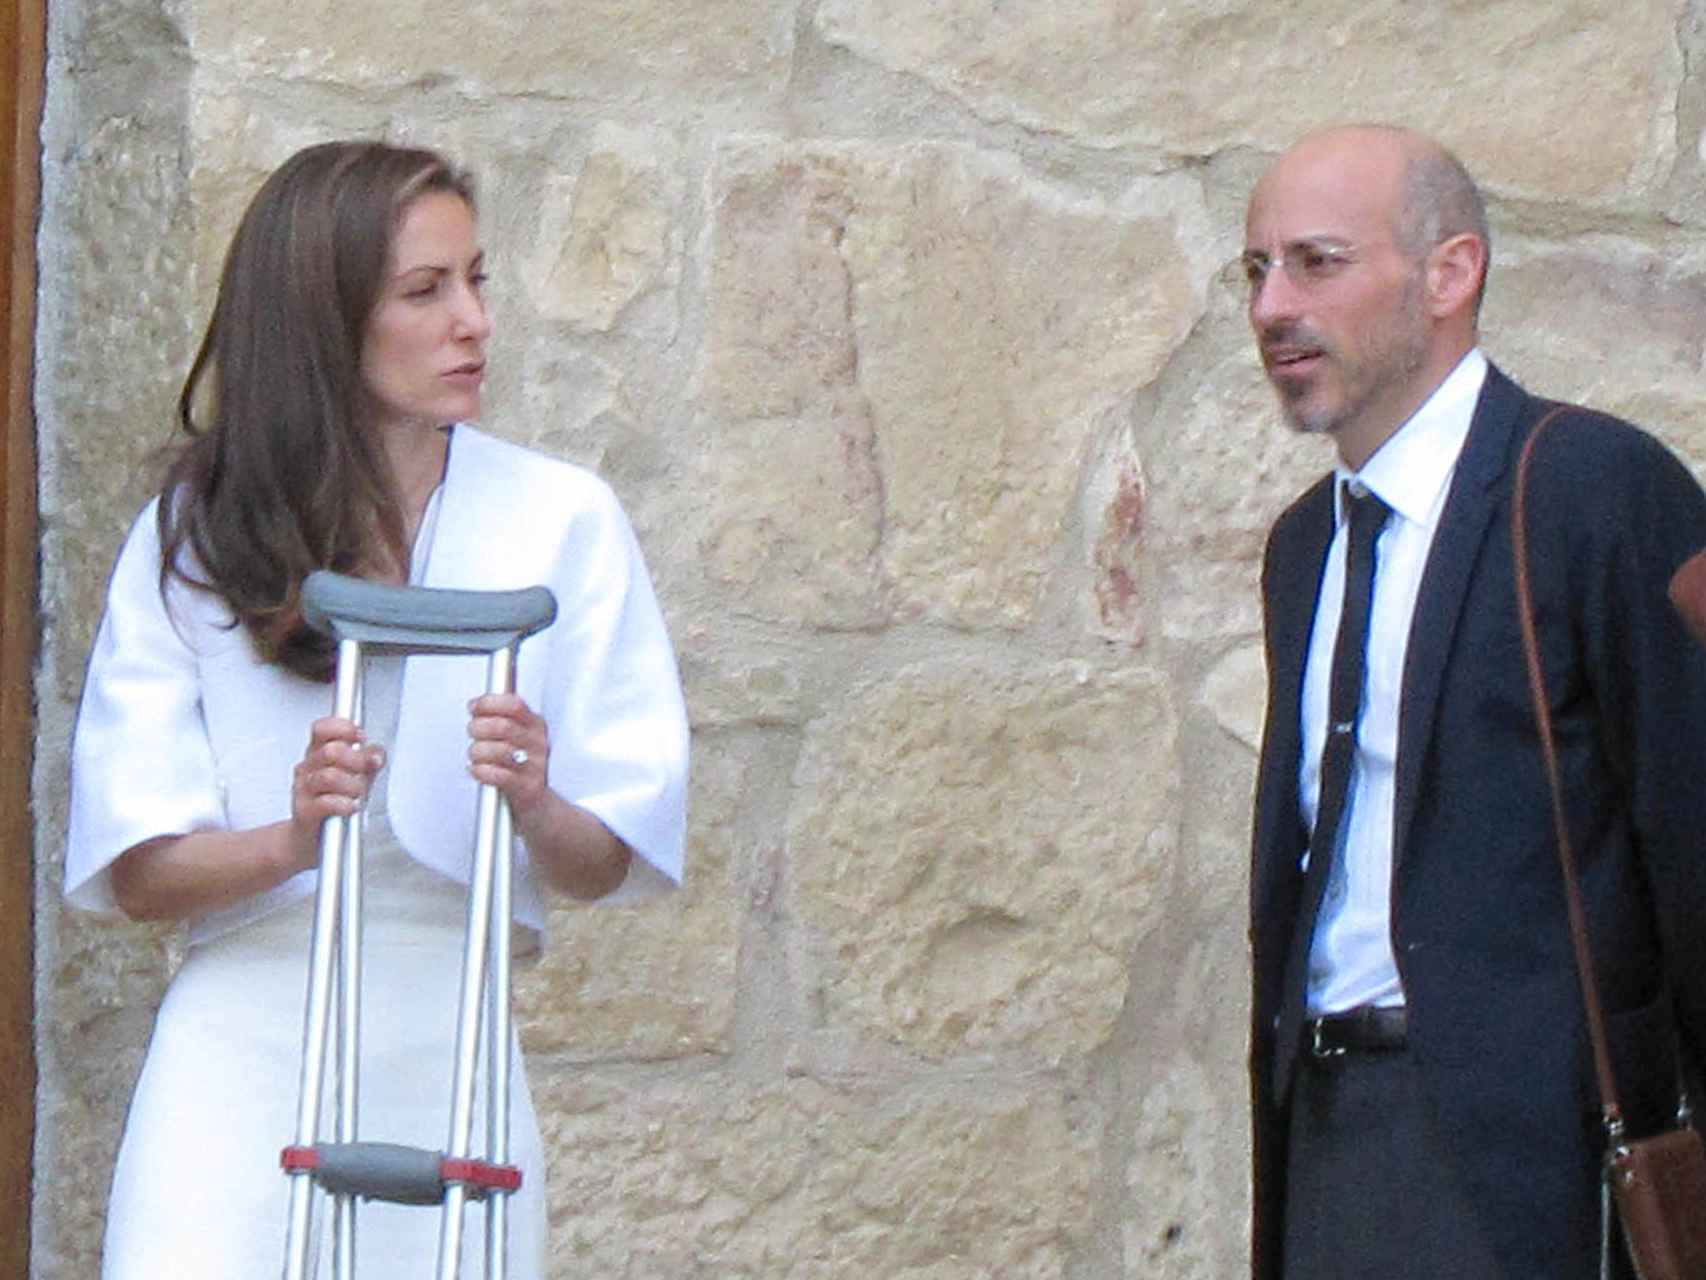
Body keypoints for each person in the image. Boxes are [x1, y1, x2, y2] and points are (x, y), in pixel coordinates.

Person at [63, 141, 689, 1277]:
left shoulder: (563, 518)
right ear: (325, 317)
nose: (473, 322)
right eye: (425, 291)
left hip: (453, 1046)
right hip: (240, 1058)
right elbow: (141, 872)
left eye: (475, 281)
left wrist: (536, 800)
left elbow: (606, 859)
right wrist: (295, 837)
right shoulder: (196, 533)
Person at [1244, 124, 1706, 1280]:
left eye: (1315, 261)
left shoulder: (1593, 488)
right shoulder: (1304, 546)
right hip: (1327, 1138)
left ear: (1449, 273)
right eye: (1254, 270)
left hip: (1529, 1163)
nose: (1270, 307)